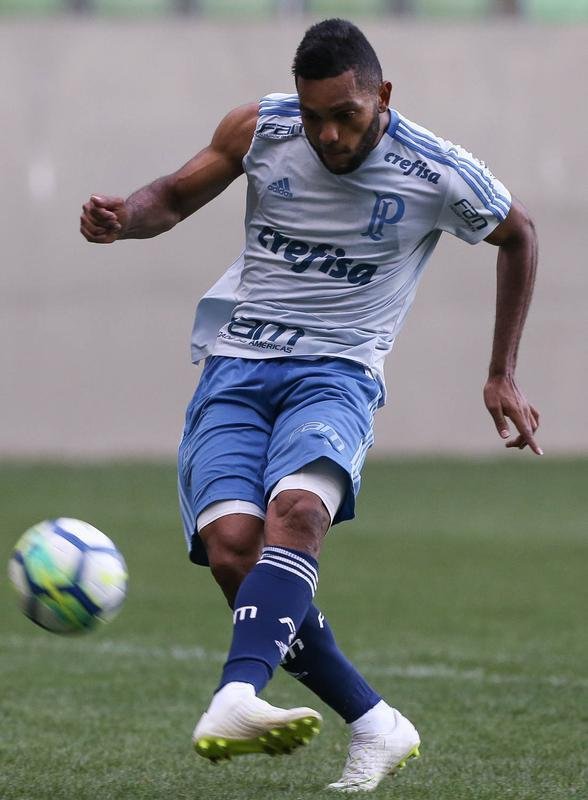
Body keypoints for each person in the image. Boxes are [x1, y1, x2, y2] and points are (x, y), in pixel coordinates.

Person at [80, 18, 541, 792]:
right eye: (315, 115)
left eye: (346, 115)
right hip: (237, 364)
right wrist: (123, 218)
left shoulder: (435, 171)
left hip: (338, 373)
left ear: (381, 96)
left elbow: (519, 234)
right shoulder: (262, 127)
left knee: (296, 514)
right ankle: (376, 723)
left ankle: (235, 695)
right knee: (233, 549)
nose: (327, 134)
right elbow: (172, 195)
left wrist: (502, 372)